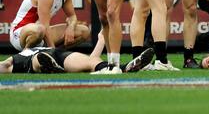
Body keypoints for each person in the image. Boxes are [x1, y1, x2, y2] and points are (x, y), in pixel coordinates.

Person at [0, 44, 154, 75]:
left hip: (60, 54)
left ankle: (123, 67)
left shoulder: (44, 43)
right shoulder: (15, 59)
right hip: (34, 60)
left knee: (90, 61)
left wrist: (101, 39)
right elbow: (4, 65)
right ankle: (49, 67)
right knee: (39, 59)